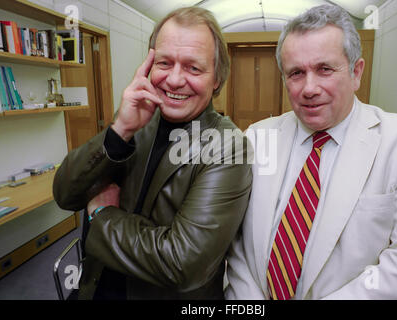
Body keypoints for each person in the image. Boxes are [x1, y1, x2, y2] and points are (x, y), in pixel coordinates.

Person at [225, 4, 397, 300]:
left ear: (356, 72)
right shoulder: (256, 137)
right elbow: (238, 246)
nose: (309, 88)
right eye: (296, 73)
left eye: (324, 69)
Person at [53, 7, 252, 300]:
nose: (173, 80)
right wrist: (119, 130)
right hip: (96, 287)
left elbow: (182, 263)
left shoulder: (228, 145)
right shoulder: (135, 119)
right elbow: (65, 195)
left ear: (217, 78)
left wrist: (102, 214)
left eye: (193, 68)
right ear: (148, 66)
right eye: (164, 63)